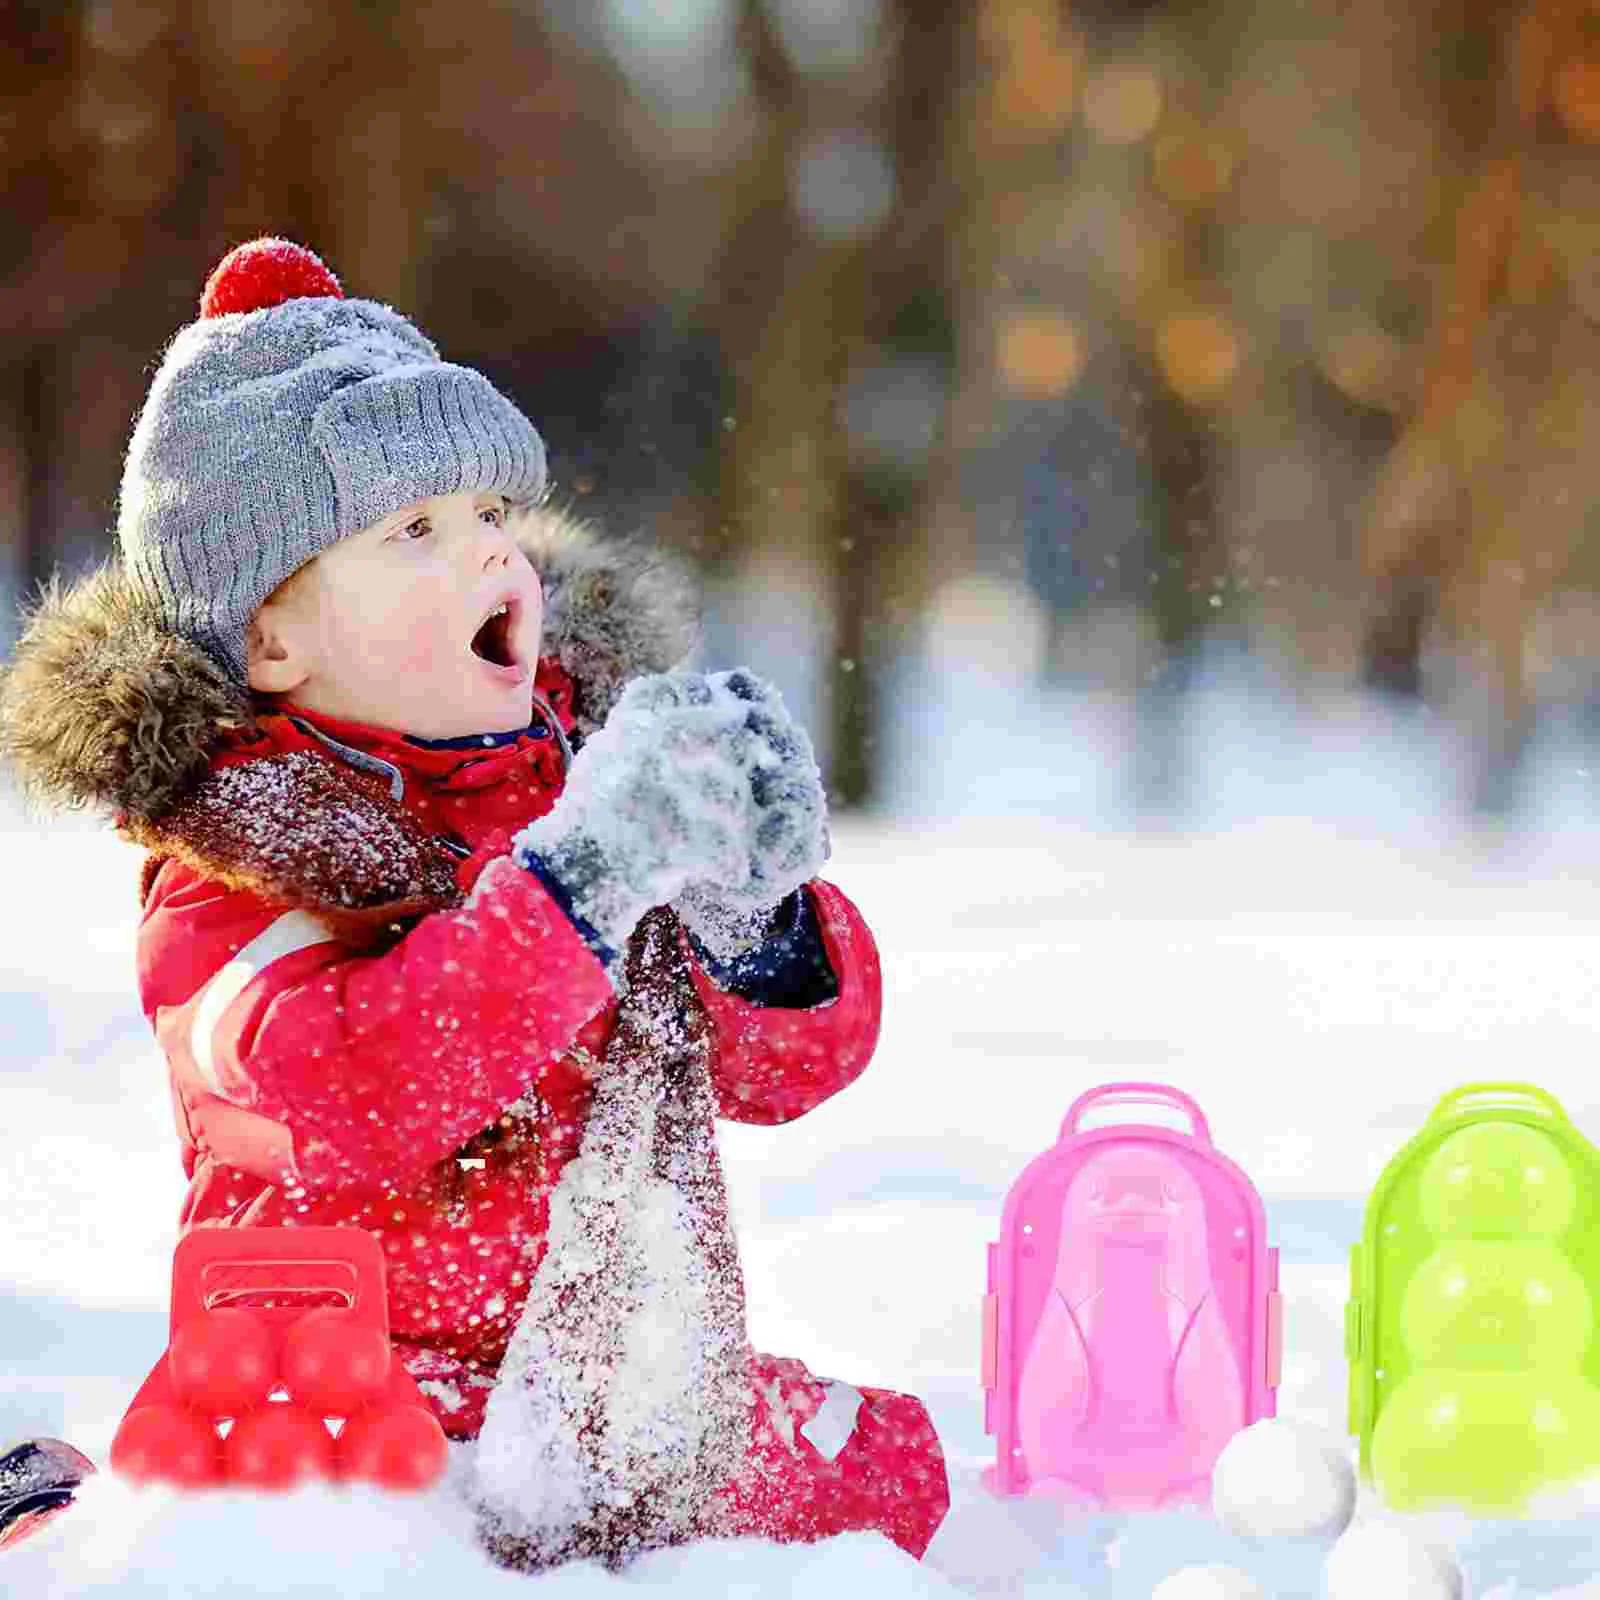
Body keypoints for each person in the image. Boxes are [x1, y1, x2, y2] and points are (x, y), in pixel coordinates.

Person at [0, 239, 948, 1566]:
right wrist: (583, 887)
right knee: (349, 1549)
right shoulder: (226, 862)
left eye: (492, 514)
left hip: (600, 1386)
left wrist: (758, 914)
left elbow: (789, 1071)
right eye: (414, 532)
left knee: (890, 1471)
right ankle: (77, 1516)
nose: (490, 557)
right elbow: (362, 1082)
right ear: (272, 639)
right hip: (338, 1390)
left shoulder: (583, 778)